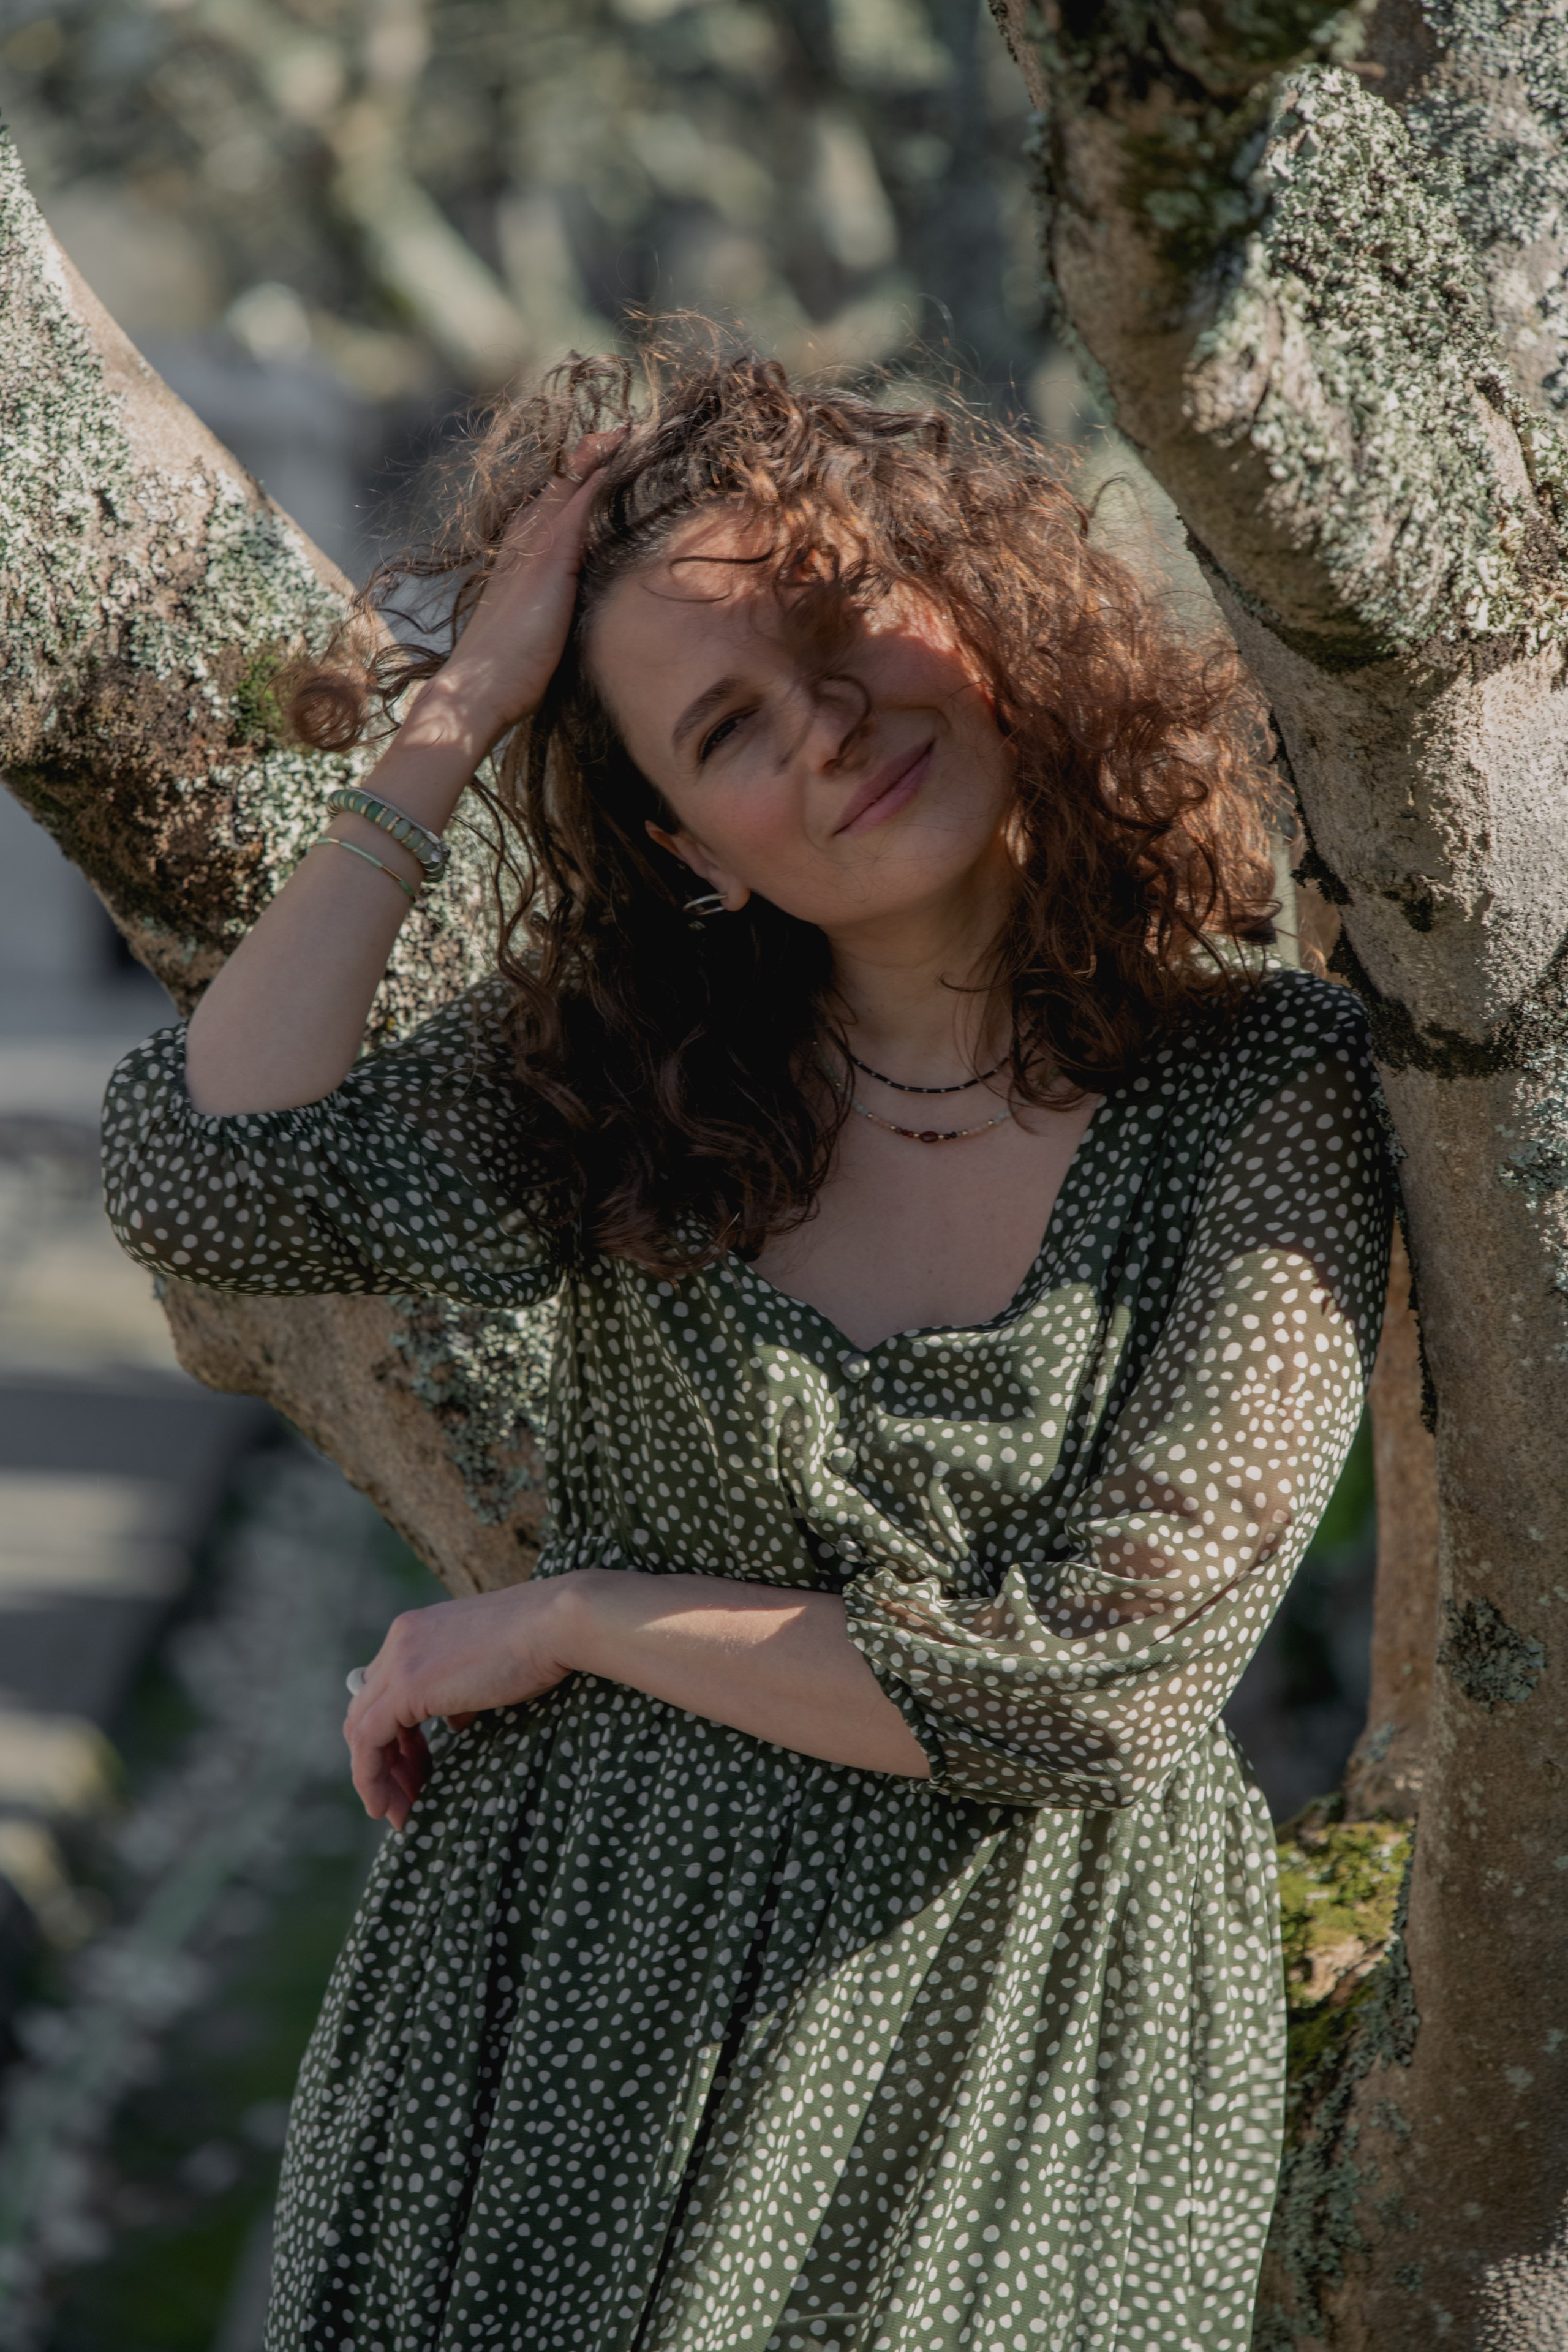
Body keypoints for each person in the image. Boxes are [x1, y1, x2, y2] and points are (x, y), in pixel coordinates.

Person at [102, 353, 1391, 2352]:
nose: (820, 727)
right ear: (685, 838)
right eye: (722, 726)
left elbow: (1101, 1682)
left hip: (1007, 2064)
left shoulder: (1266, 1082)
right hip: (556, 2024)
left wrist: (572, 1618)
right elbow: (219, 1182)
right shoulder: (623, 1074)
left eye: (829, 623)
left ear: (972, 599)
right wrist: (453, 717)